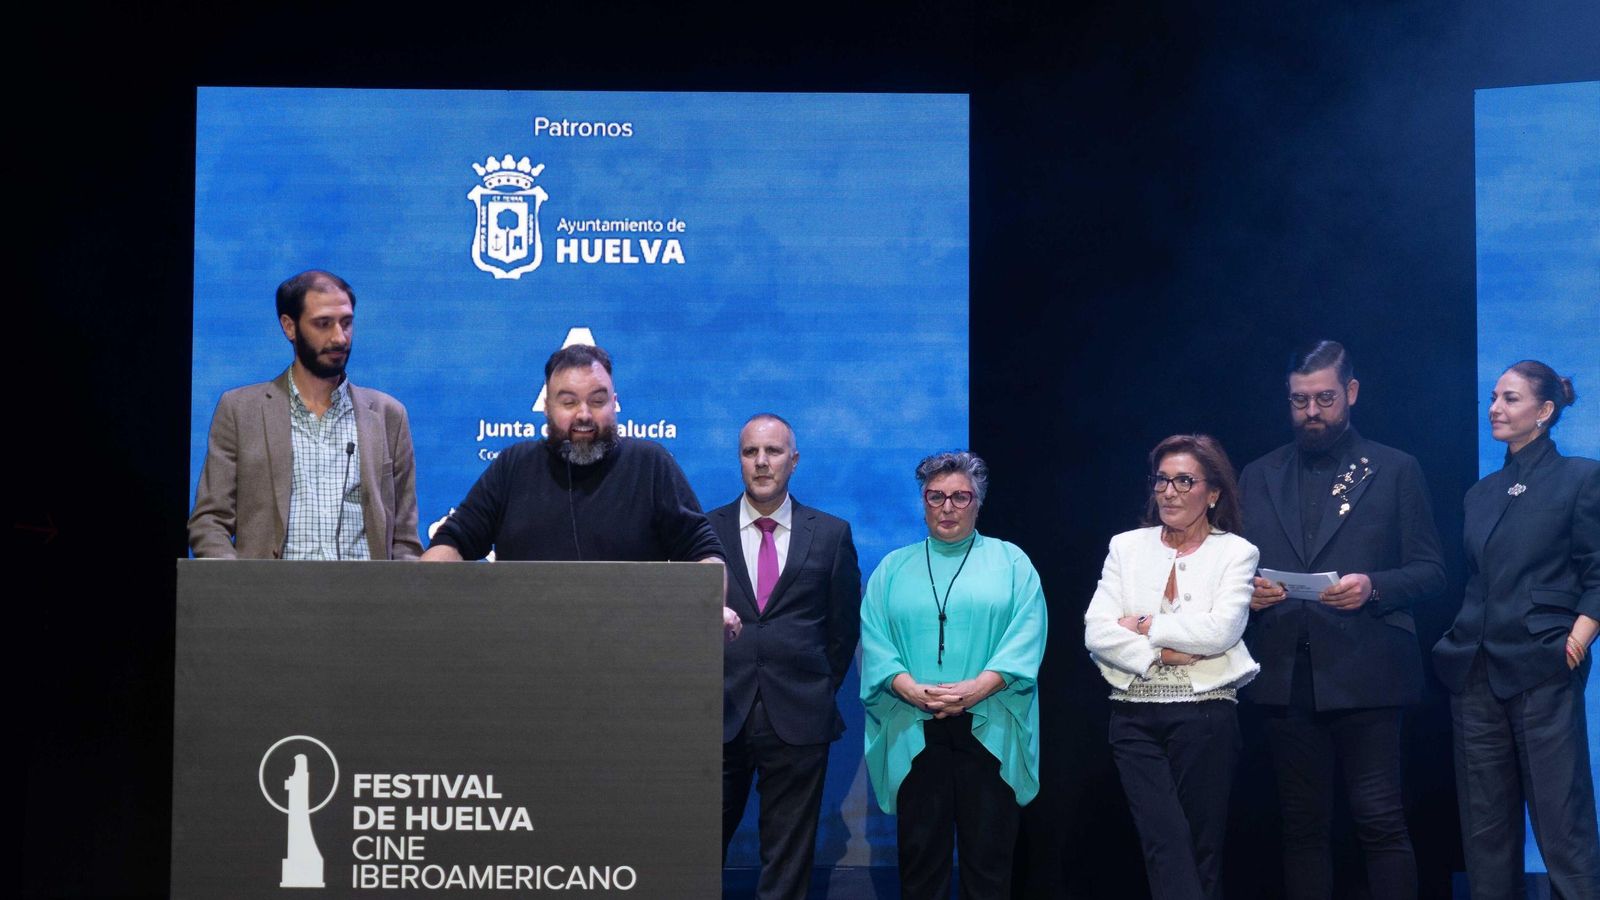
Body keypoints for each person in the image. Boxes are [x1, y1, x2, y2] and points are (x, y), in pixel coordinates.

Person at [1238, 340, 1444, 900]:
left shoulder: (1395, 468)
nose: (1311, 412)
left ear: (1350, 392)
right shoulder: (1258, 474)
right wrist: (1247, 594)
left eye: (1324, 398)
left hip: (1367, 672)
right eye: (1300, 400)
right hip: (1285, 674)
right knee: (1302, 830)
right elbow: (1234, 566)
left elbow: (1431, 569)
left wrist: (1374, 586)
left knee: (1380, 822)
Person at [421, 344, 739, 639]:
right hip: (523, 655)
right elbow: (453, 540)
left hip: (634, 656)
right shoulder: (513, 466)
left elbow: (704, 553)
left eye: (597, 401)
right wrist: (417, 597)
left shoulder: (650, 463)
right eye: (569, 401)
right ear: (546, 407)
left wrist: (710, 609)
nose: (583, 415)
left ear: (615, 404)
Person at [1433, 360, 1600, 899]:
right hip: (1476, 671)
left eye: (1510, 399)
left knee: (1562, 824)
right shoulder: (1481, 493)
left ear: (1545, 412)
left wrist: (1576, 638)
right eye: (1493, 398)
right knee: (1485, 832)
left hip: (1541, 668)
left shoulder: (1580, 477)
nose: (1494, 409)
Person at [859, 451, 1046, 900]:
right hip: (915, 729)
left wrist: (978, 688)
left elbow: (1027, 633)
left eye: (960, 497)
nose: (947, 507)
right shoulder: (891, 568)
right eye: (935, 496)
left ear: (978, 502)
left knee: (989, 865)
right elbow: (875, 639)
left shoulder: (1012, 562)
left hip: (990, 727)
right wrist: (908, 687)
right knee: (921, 866)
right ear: (922, 501)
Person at [1085, 434, 1259, 900]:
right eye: (1162, 480)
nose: (1170, 491)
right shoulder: (1126, 546)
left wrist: (1143, 624)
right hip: (1133, 718)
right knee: (1164, 840)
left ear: (1213, 493)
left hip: (1205, 716)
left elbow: (1220, 632)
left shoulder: (1236, 553)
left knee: (1202, 850)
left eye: (1185, 481)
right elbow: (1097, 631)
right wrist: (1162, 652)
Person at [711, 413, 861, 900]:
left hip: (799, 716)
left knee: (788, 862)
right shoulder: (703, 534)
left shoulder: (833, 534)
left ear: (793, 461)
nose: (761, 462)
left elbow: (841, 631)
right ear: (740, 460)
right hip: (717, 714)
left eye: (772, 452)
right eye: (750, 452)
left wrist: (813, 688)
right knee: (693, 850)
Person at [189, 269, 421, 560]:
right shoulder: (240, 410)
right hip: (271, 599)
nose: (339, 338)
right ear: (289, 327)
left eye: (346, 323)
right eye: (323, 324)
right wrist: (241, 592)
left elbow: (404, 540)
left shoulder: (388, 415)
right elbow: (210, 521)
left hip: (365, 599)